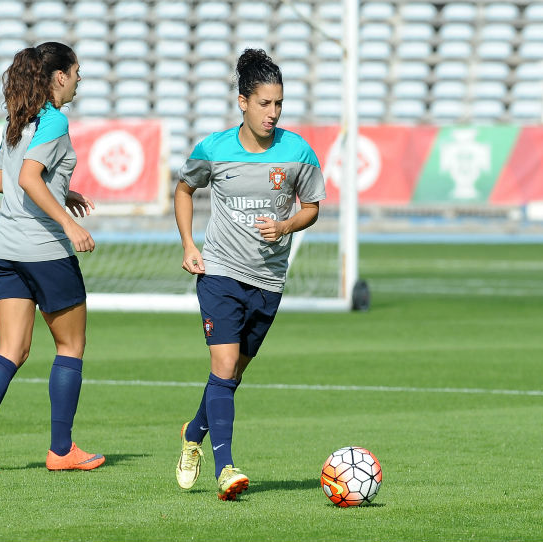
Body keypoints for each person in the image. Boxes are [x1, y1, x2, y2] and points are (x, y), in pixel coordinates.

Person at [173, 49, 326, 500]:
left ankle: (194, 431)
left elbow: (312, 207)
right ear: (243, 102)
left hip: (268, 283)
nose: (273, 113)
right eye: (264, 104)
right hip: (219, 273)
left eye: (279, 104)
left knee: (232, 376)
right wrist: (188, 244)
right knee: (221, 366)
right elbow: (184, 190)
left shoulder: (298, 151)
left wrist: (285, 225)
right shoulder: (213, 149)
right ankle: (226, 469)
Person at [0, 42, 104, 474]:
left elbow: (0, 180)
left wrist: (61, 189)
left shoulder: (18, 118)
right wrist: (68, 222)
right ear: (60, 76)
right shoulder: (55, 120)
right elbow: (26, 177)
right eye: (77, 72)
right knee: (70, 346)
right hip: (44, 252)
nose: (79, 80)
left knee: (11, 349)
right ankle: (61, 451)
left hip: (5, 251)